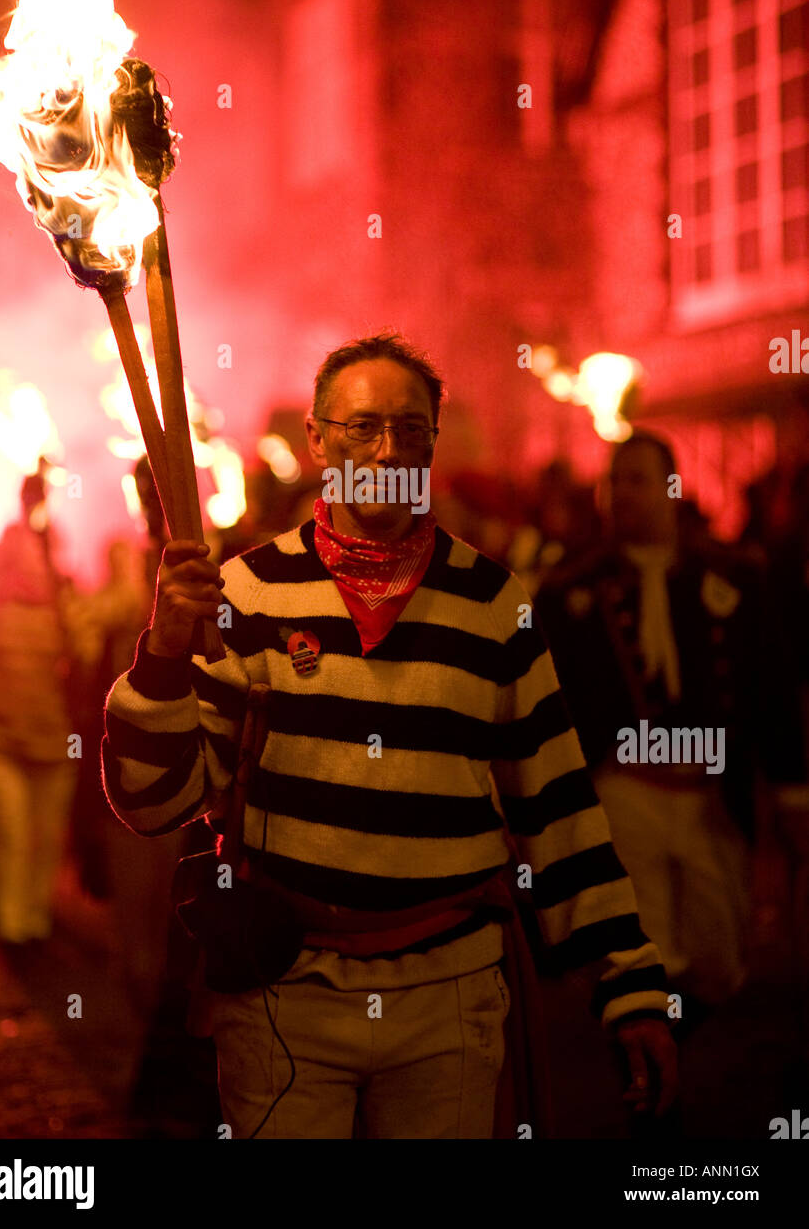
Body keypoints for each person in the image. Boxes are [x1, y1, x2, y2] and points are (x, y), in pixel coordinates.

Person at [102, 334, 677, 1139]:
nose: (385, 449)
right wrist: (162, 653)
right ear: (316, 439)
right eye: (360, 427)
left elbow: (559, 808)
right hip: (284, 994)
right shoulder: (248, 591)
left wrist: (632, 988)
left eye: (410, 429)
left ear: (433, 444)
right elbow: (153, 802)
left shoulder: (493, 601)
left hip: (450, 999)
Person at [536, 431, 802, 1025]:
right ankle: (659, 1083)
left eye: (638, 479)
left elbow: (770, 692)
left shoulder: (735, 579)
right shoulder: (569, 591)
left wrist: (790, 792)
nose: (621, 493)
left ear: (672, 488)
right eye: (615, 480)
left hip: (712, 796)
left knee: (718, 958)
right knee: (642, 958)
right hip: (625, 791)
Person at [0, 470, 99, 946]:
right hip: (2, 738)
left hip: (53, 739)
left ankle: (34, 917)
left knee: (46, 836)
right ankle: (15, 926)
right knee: (11, 832)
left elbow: (87, 655)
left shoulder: (62, 601)